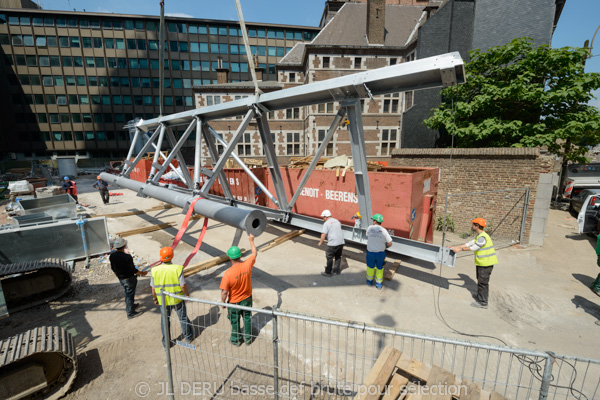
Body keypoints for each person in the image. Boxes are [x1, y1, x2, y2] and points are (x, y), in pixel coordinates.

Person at [450, 217, 498, 309]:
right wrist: (456, 247)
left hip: (486, 264)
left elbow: (474, 248)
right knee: (480, 281)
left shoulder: (483, 237)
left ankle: (483, 302)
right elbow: (469, 243)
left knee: (483, 283)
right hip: (482, 263)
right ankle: (480, 297)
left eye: (473, 225)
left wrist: (460, 250)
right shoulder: (479, 236)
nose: (471, 226)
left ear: (477, 226)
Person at [151, 247, 194, 347]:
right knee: (183, 318)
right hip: (177, 299)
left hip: (163, 300)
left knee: (165, 320)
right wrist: (187, 296)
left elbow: (153, 289)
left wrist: (155, 299)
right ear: (172, 256)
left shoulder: (155, 270)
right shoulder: (177, 269)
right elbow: (183, 285)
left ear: (161, 257)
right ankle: (188, 337)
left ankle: (166, 343)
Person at [220, 233, 257, 346]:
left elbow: (225, 292)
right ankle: (248, 339)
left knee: (235, 321)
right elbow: (254, 254)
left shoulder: (228, 274)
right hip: (247, 298)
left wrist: (223, 302)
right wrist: (251, 240)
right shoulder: (247, 265)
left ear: (230, 258)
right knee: (247, 318)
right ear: (240, 256)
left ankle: (236, 340)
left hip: (235, 301)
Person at [109, 237, 147, 319]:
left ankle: (131, 306)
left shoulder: (112, 256)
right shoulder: (127, 257)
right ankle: (130, 313)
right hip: (129, 279)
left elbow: (113, 268)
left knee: (128, 293)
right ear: (124, 245)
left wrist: (119, 276)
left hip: (122, 279)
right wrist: (143, 273)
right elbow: (134, 270)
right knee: (129, 295)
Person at [366, 214, 392, 290]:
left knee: (370, 267)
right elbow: (390, 243)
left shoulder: (369, 228)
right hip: (380, 253)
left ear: (375, 221)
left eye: (373, 220)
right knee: (380, 268)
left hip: (370, 252)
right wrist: (384, 246)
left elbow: (368, 236)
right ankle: (378, 284)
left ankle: (369, 282)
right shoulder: (384, 231)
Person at [318, 209, 345, 277]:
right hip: (341, 242)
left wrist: (321, 242)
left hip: (333, 243)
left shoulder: (326, 223)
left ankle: (328, 272)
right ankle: (336, 270)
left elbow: (323, 234)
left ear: (326, 217)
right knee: (338, 256)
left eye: (323, 217)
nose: (323, 219)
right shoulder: (337, 221)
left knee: (329, 257)